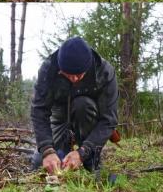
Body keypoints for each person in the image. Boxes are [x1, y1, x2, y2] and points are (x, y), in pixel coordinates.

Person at [31, 37, 119, 174]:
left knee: (82, 104)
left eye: (79, 75)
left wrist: (83, 152)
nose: (74, 79)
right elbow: (39, 111)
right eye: (68, 75)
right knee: (39, 164)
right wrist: (47, 150)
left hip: (87, 114)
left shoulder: (105, 72)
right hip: (59, 115)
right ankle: (64, 147)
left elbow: (109, 120)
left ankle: (91, 159)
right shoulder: (48, 68)